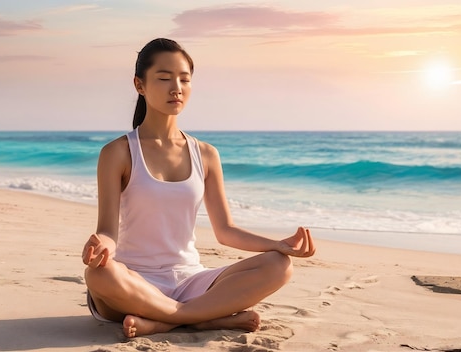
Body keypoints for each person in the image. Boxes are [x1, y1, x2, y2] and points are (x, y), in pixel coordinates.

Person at [82, 38, 316, 338]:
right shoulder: (118, 153)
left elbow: (226, 231)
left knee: (279, 266)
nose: (176, 88)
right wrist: (100, 246)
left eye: (184, 79)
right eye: (164, 79)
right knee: (99, 275)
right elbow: (108, 232)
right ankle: (200, 317)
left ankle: (167, 320)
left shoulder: (205, 153)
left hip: (191, 281)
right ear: (139, 85)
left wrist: (278, 246)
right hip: (136, 282)